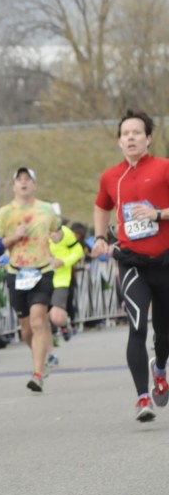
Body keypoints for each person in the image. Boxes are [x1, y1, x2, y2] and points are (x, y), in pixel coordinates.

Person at [92, 108, 169, 422]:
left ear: (148, 138)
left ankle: (160, 369)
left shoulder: (164, 168)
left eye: (137, 132)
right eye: (126, 134)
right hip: (131, 262)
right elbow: (101, 206)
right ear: (119, 142)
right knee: (136, 326)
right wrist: (99, 236)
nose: (131, 138)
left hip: (164, 260)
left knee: (164, 331)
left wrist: (158, 215)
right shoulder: (111, 176)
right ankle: (141, 398)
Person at [0, 167, 60, 392]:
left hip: (42, 270)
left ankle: (37, 374)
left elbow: (58, 231)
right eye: (19, 180)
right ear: (13, 186)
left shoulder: (47, 209)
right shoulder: (5, 213)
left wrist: (58, 236)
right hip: (16, 272)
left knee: (39, 322)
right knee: (26, 329)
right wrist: (14, 237)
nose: (23, 183)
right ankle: (39, 357)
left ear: (34, 185)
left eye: (28, 179)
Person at [46, 222, 85, 365]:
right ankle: (50, 349)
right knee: (41, 317)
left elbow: (78, 250)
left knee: (55, 316)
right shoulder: (36, 230)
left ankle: (62, 325)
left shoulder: (66, 233)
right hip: (39, 278)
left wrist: (64, 261)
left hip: (61, 278)